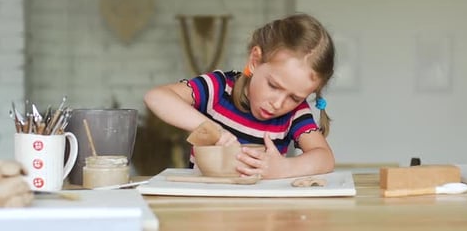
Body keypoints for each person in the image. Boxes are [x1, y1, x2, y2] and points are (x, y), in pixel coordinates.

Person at [144, 13, 336, 179]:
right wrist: (212, 130)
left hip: (261, 213)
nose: (278, 103)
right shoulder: (217, 88)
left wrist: (284, 168)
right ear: (255, 61)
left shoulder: (295, 114)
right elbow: (157, 97)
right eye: (273, 86)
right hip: (204, 209)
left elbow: (324, 158)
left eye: (294, 98)